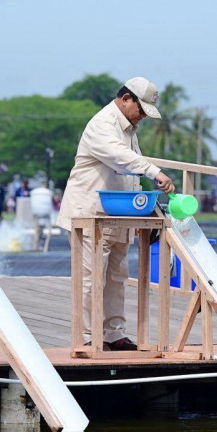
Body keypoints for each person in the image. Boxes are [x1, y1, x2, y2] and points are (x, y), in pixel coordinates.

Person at [57, 77, 175, 351]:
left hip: (118, 213)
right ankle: (87, 336)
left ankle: (113, 333)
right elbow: (120, 157)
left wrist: (150, 211)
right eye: (141, 109)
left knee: (117, 278)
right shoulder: (103, 124)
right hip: (90, 214)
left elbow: (129, 169)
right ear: (126, 99)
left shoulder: (129, 128)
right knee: (90, 278)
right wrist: (155, 172)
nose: (143, 116)